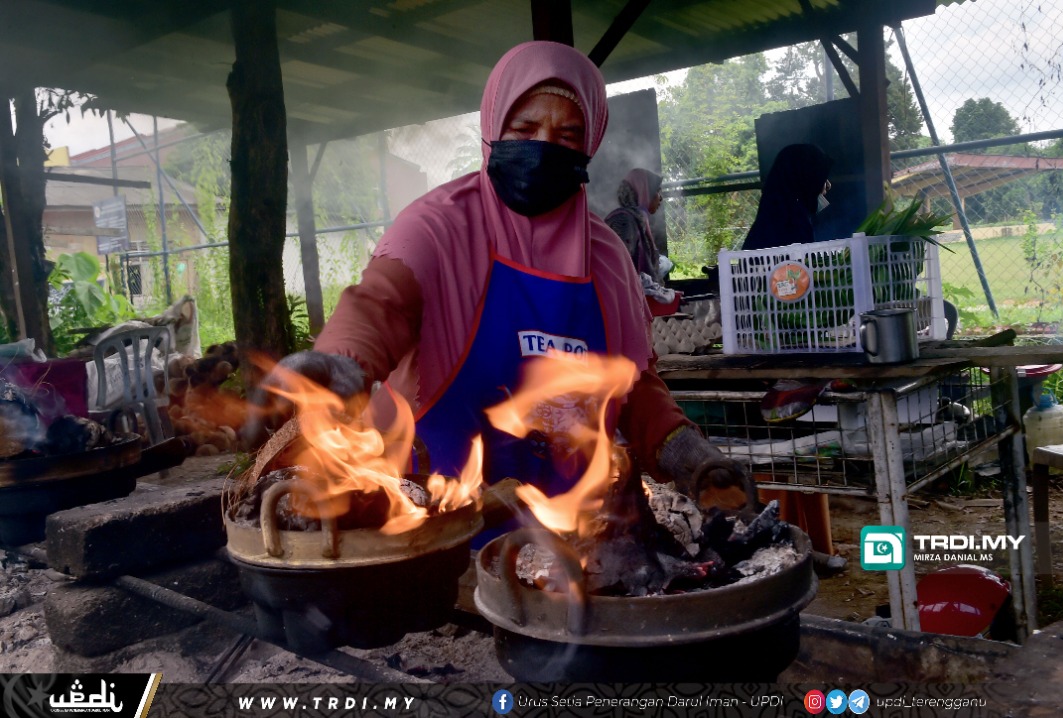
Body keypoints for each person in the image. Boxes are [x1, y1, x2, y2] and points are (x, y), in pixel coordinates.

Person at [244, 41, 752, 518]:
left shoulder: (607, 258)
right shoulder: (438, 227)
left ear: (589, 144)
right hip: (435, 525)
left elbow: (634, 385)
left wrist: (688, 453)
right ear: (493, 128)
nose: (543, 148)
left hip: (566, 535)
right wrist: (340, 361)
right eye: (524, 130)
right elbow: (380, 304)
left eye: (567, 137)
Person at [742, 142, 845, 575]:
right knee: (791, 455)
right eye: (822, 176)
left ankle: (806, 547)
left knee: (791, 455)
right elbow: (795, 291)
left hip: (768, 345)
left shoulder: (775, 212)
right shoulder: (793, 219)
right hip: (780, 349)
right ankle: (796, 549)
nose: (826, 187)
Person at [741, 143, 832, 251]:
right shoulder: (793, 224)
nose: (828, 185)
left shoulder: (772, 214)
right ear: (805, 178)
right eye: (820, 177)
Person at [605, 168, 665, 284]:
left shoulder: (636, 218)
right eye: (657, 191)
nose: (661, 198)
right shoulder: (625, 221)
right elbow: (621, 272)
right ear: (644, 191)